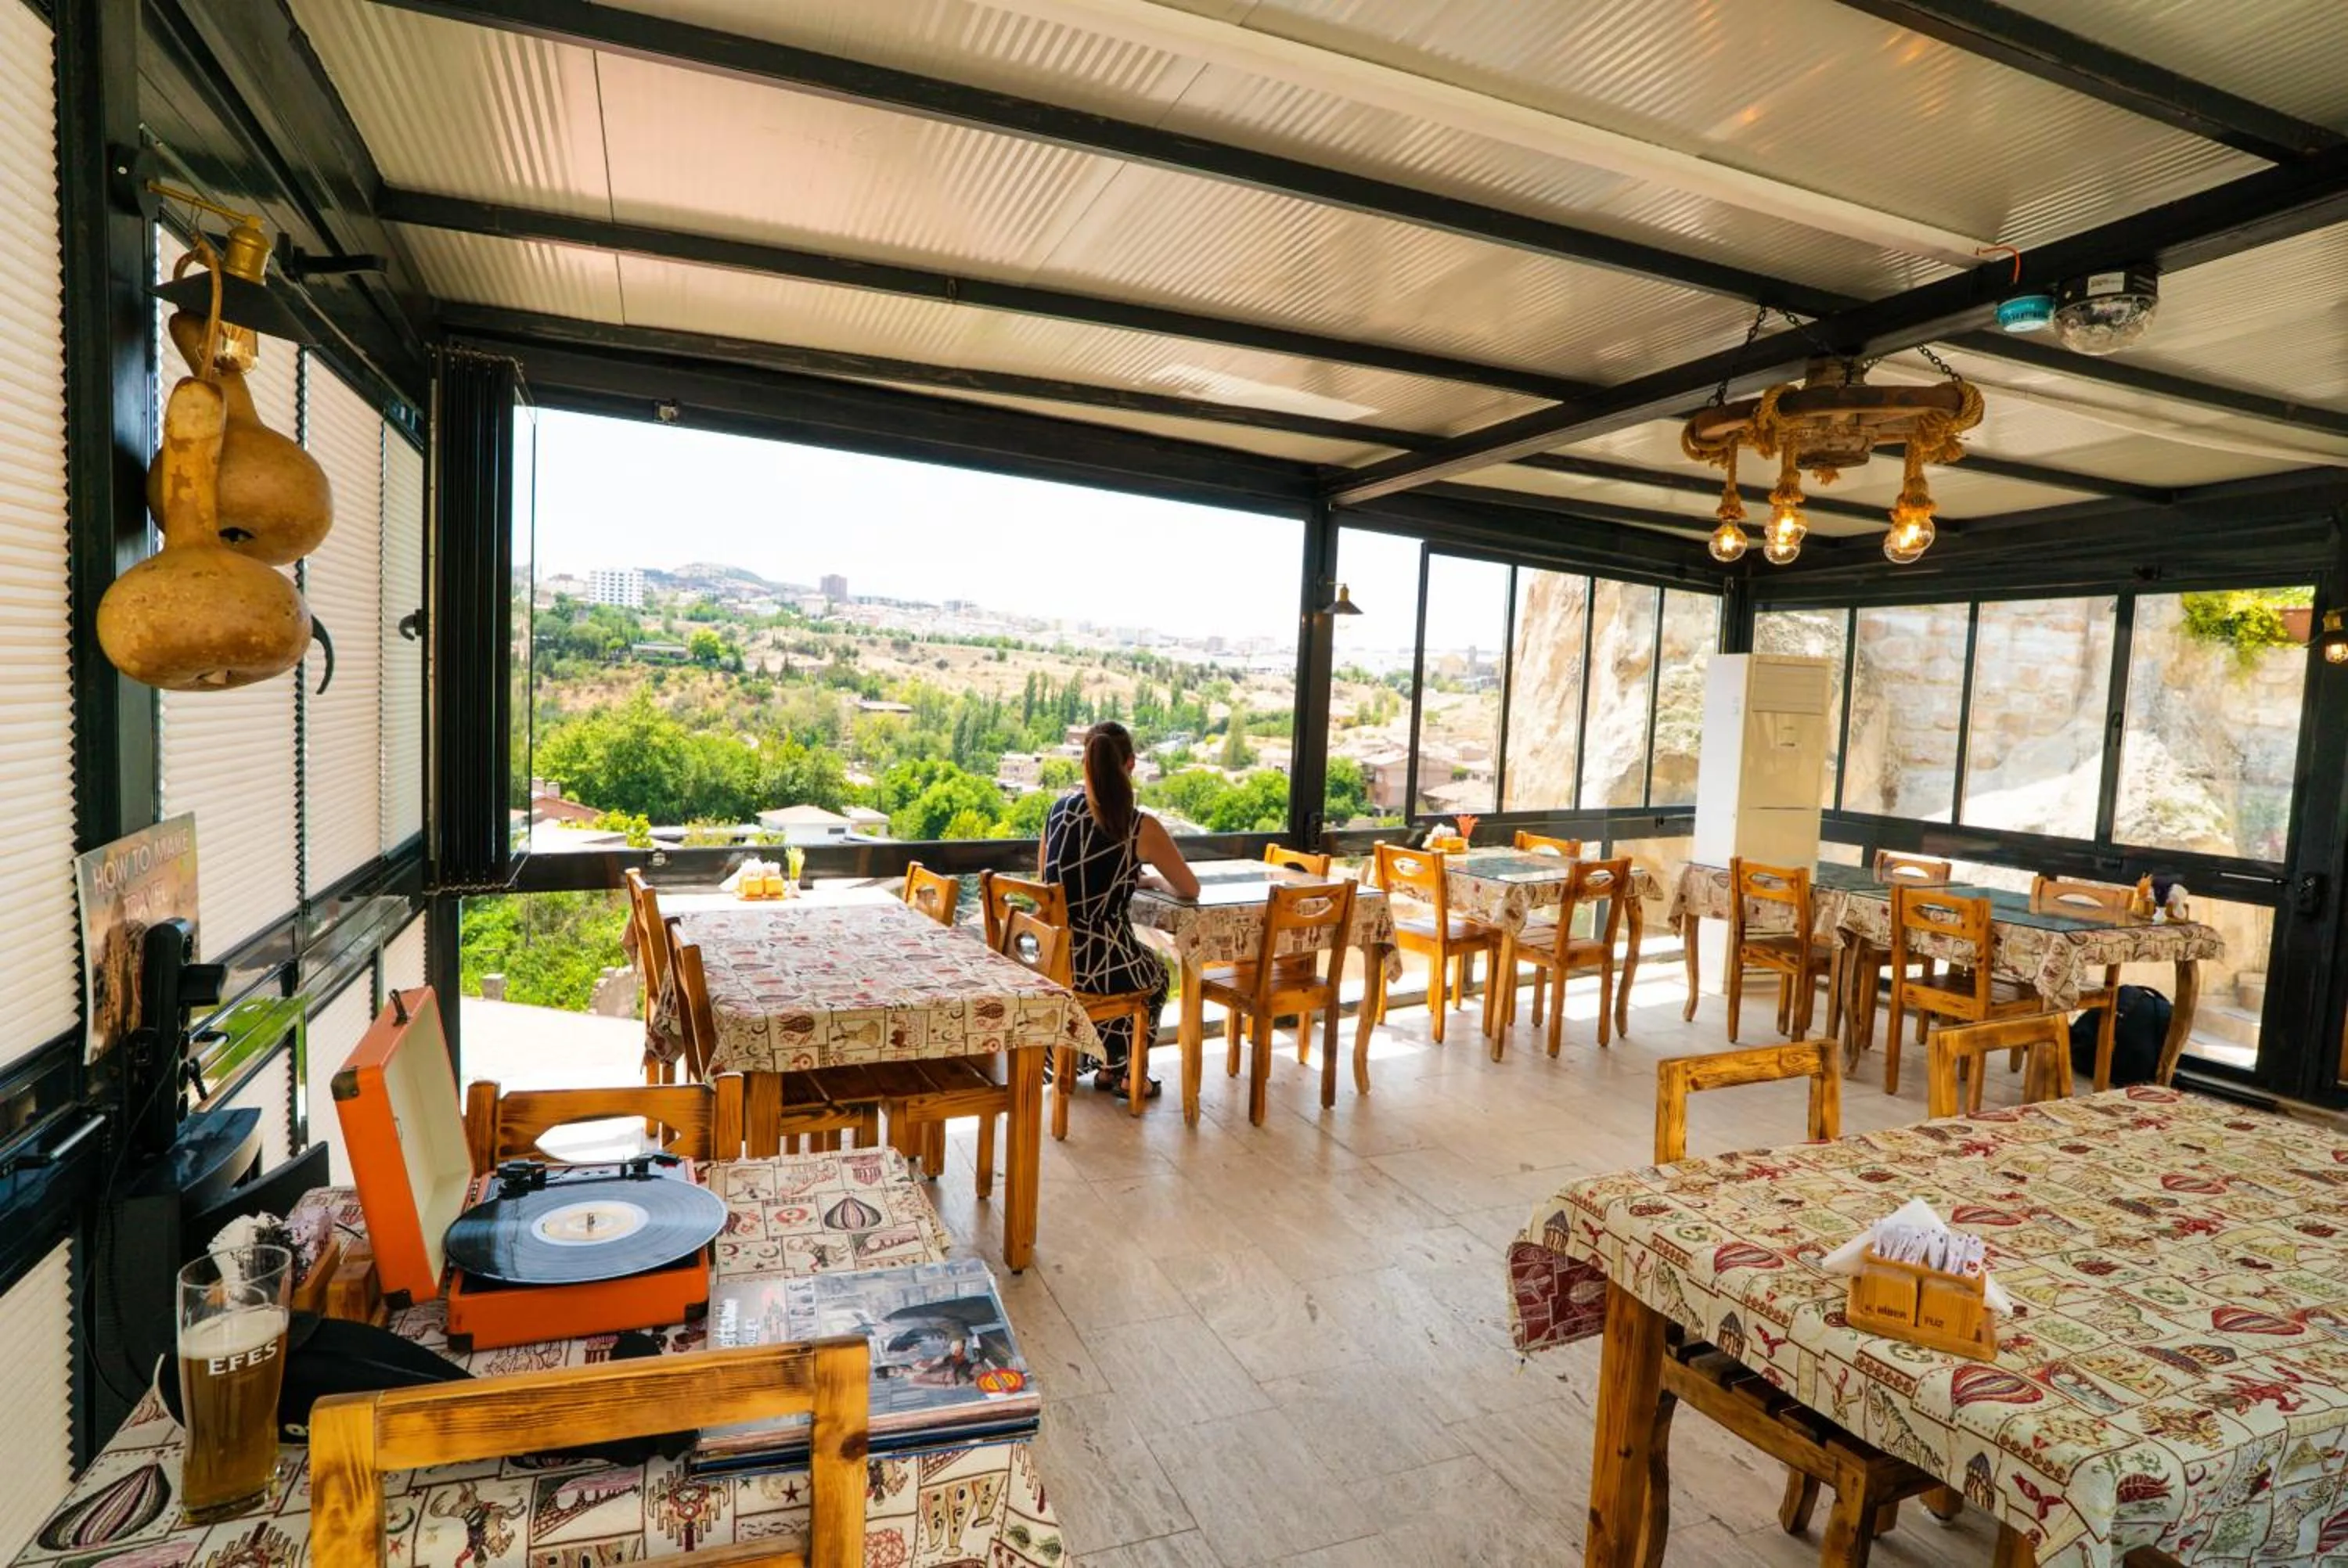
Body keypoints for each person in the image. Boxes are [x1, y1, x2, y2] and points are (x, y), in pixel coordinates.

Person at [1041, 721, 1198, 1098]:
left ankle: (1109, 1067)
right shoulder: (1139, 825)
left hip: (1055, 961)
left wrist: (1124, 878)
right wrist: (1153, 881)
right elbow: (1189, 888)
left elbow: (1046, 886)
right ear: (1131, 764)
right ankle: (1132, 1074)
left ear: (1086, 763)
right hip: (1104, 964)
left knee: (1135, 967)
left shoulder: (1057, 811)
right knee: (1156, 975)